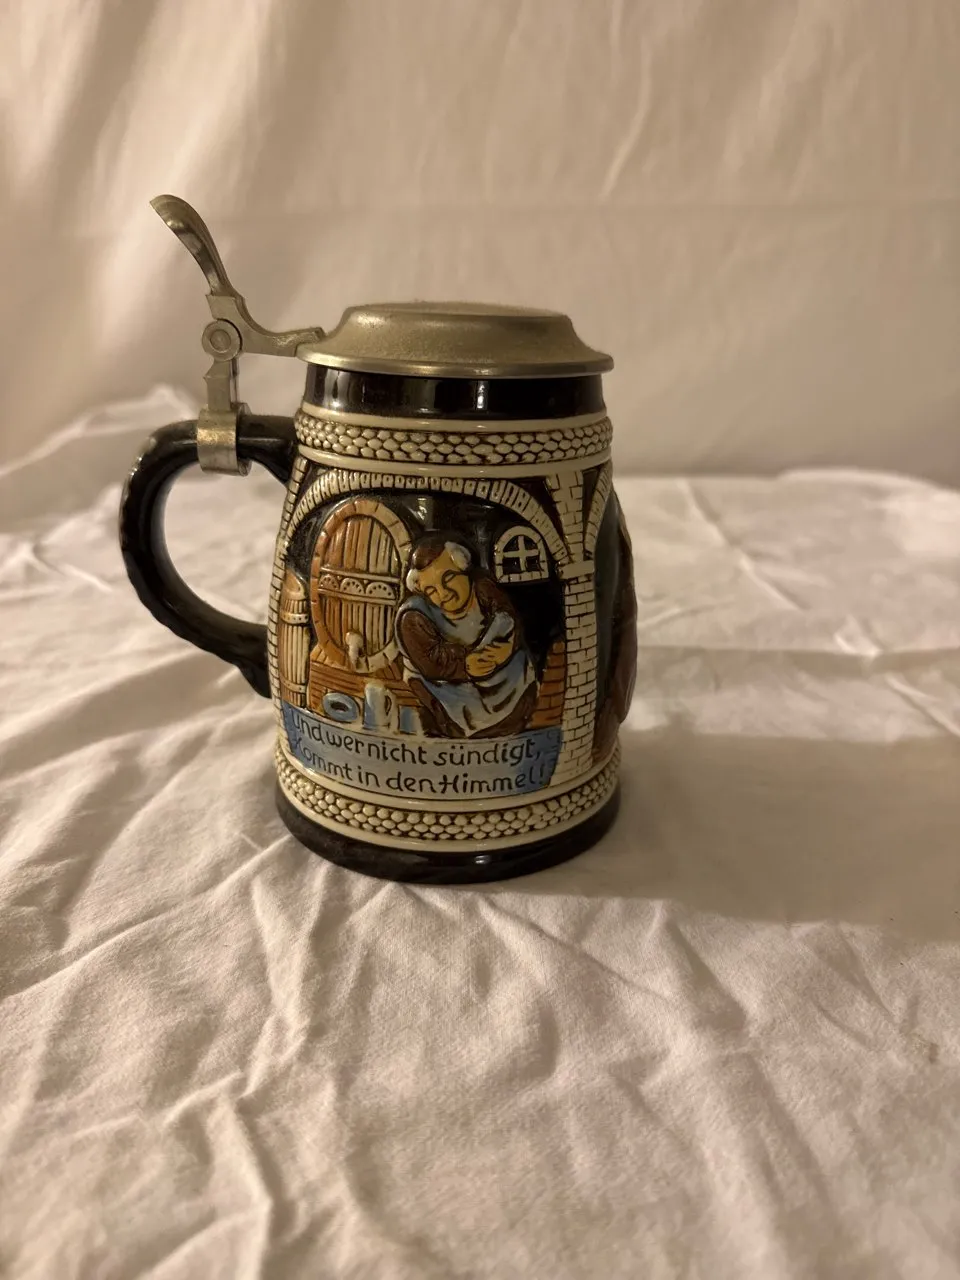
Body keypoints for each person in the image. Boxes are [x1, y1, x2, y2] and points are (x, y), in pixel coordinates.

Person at [396, 534, 538, 738]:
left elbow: (508, 616)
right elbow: (431, 661)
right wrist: (465, 664)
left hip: (496, 668)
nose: (444, 593)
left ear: (464, 568)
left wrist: (507, 648)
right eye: (431, 590)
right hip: (444, 681)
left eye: (448, 578)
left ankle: (512, 721)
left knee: (519, 664)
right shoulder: (414, 616)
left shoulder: (482, 588)